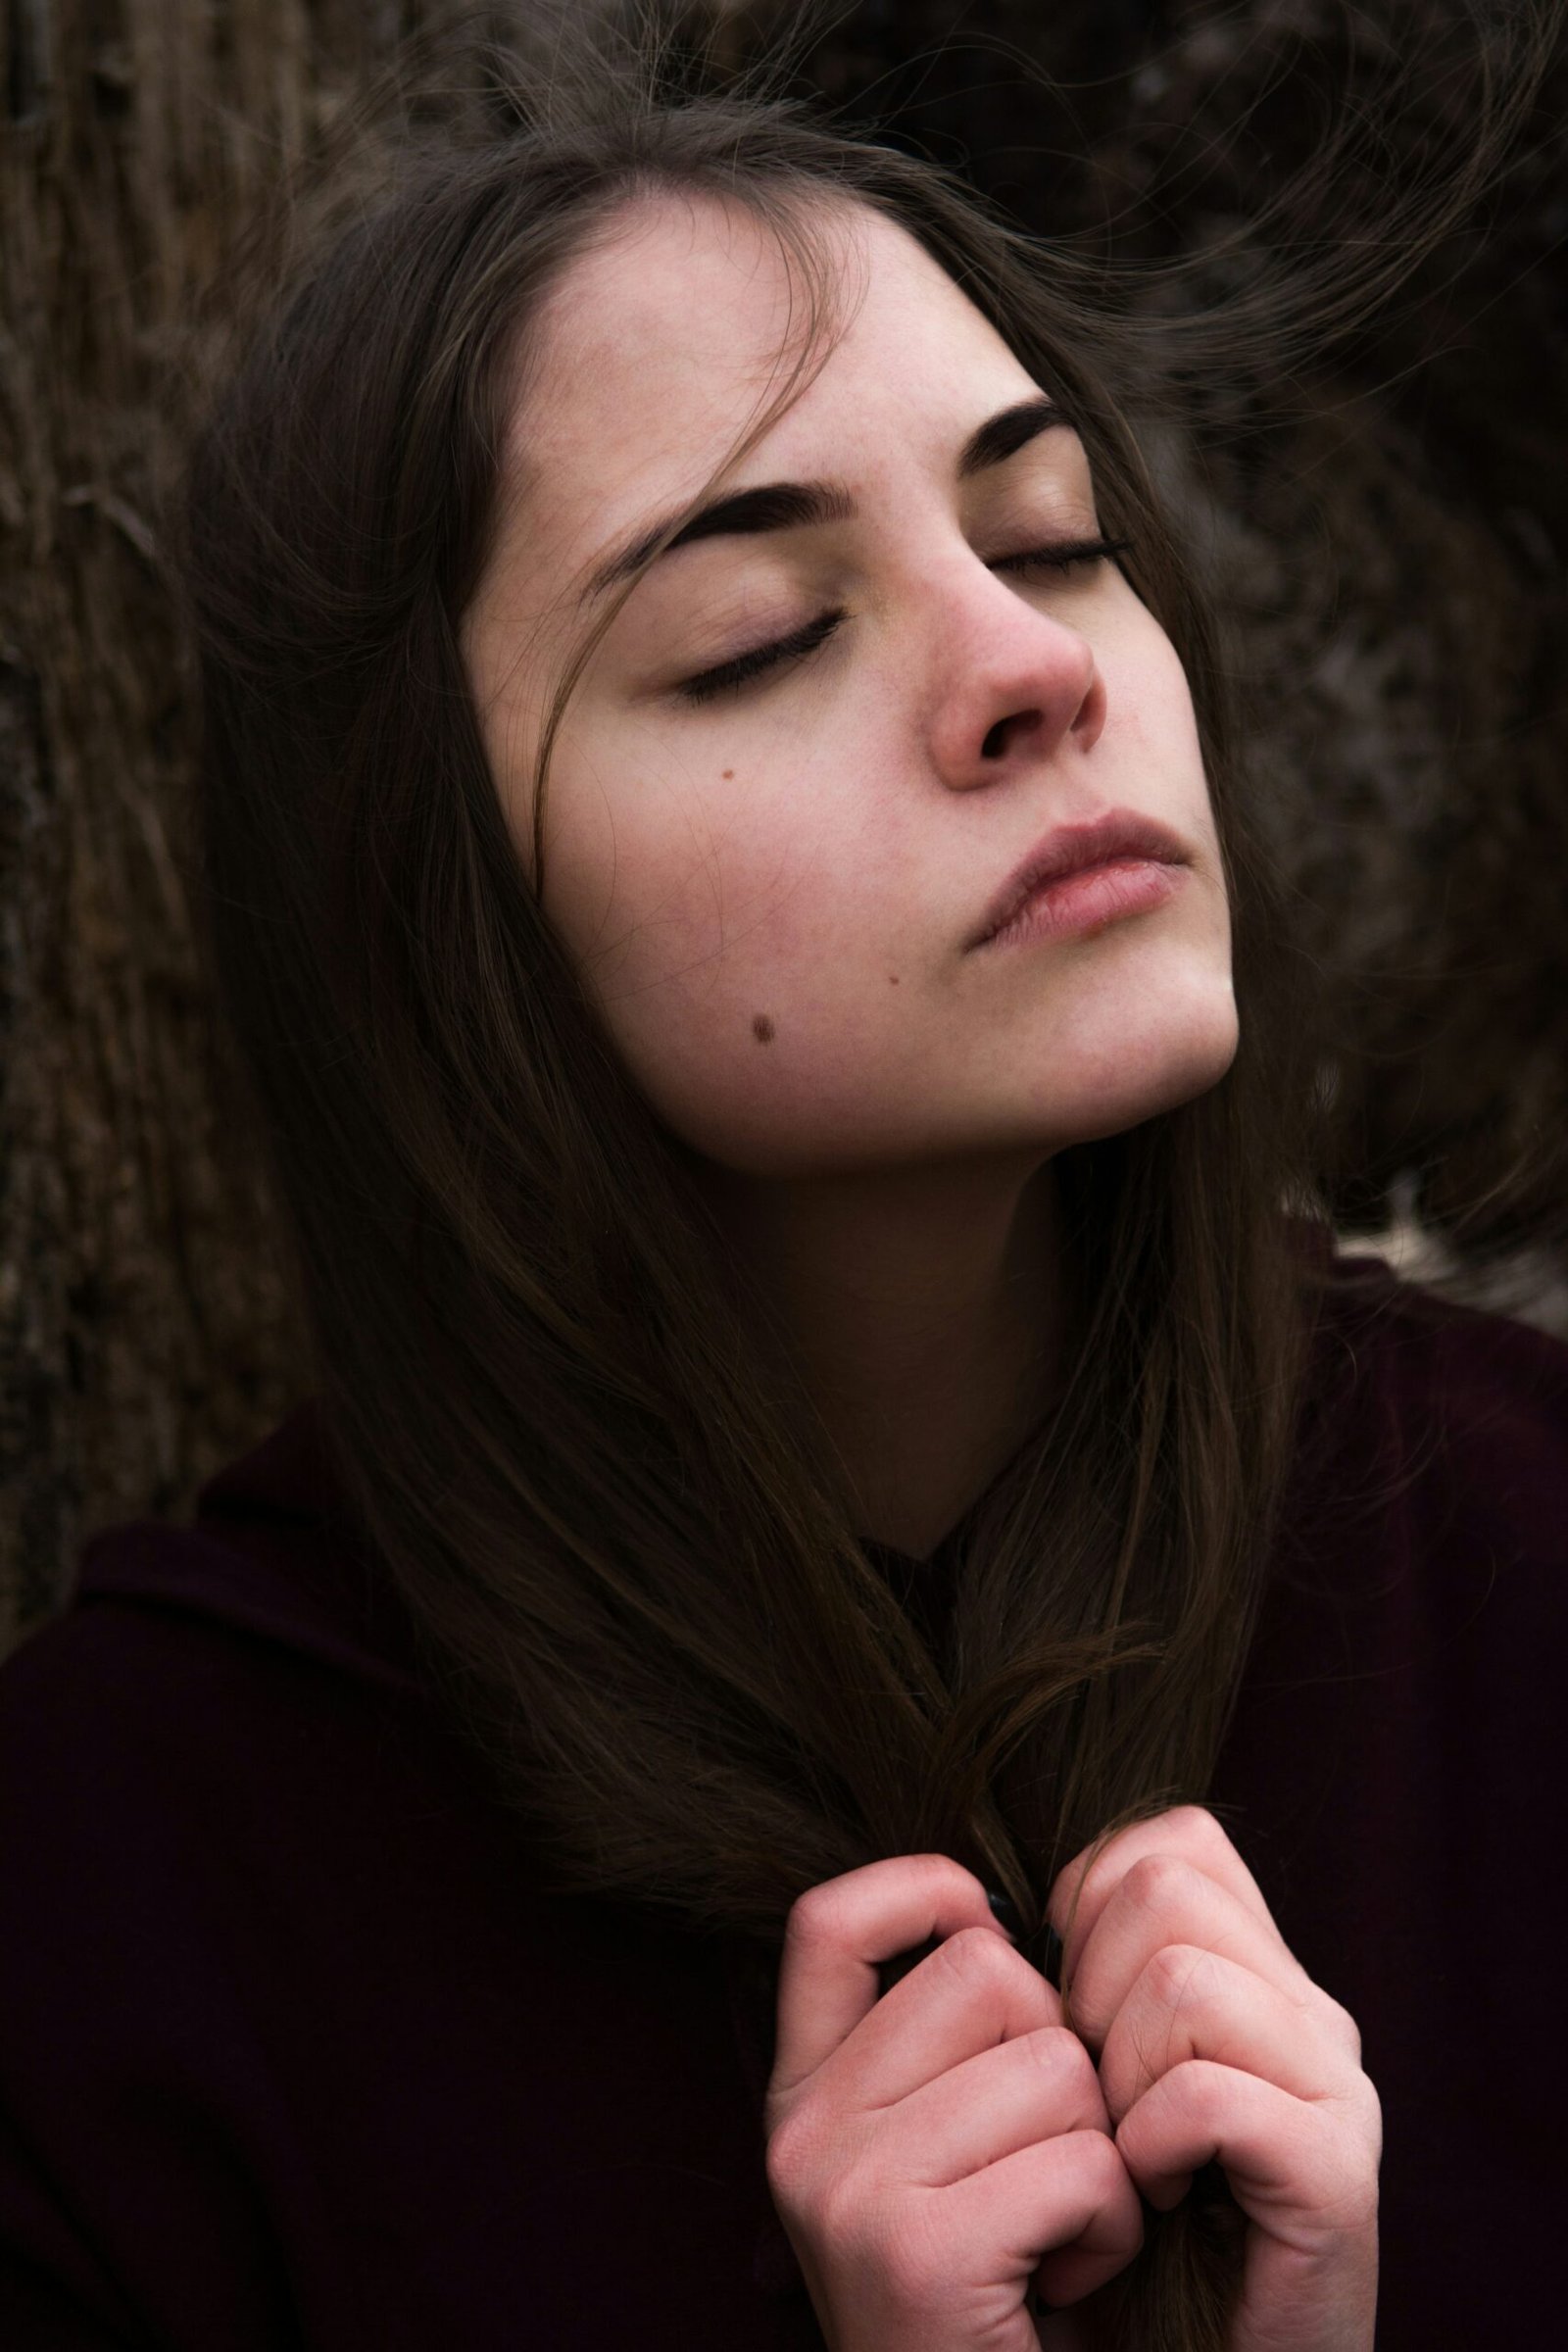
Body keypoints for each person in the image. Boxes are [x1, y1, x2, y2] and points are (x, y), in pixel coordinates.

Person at [1, 15, 1563, 2351]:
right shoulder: (123, 1902)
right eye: (759, 638)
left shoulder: (1527, 1575)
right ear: (439, 900)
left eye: (1052, 534)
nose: (1032, 664)